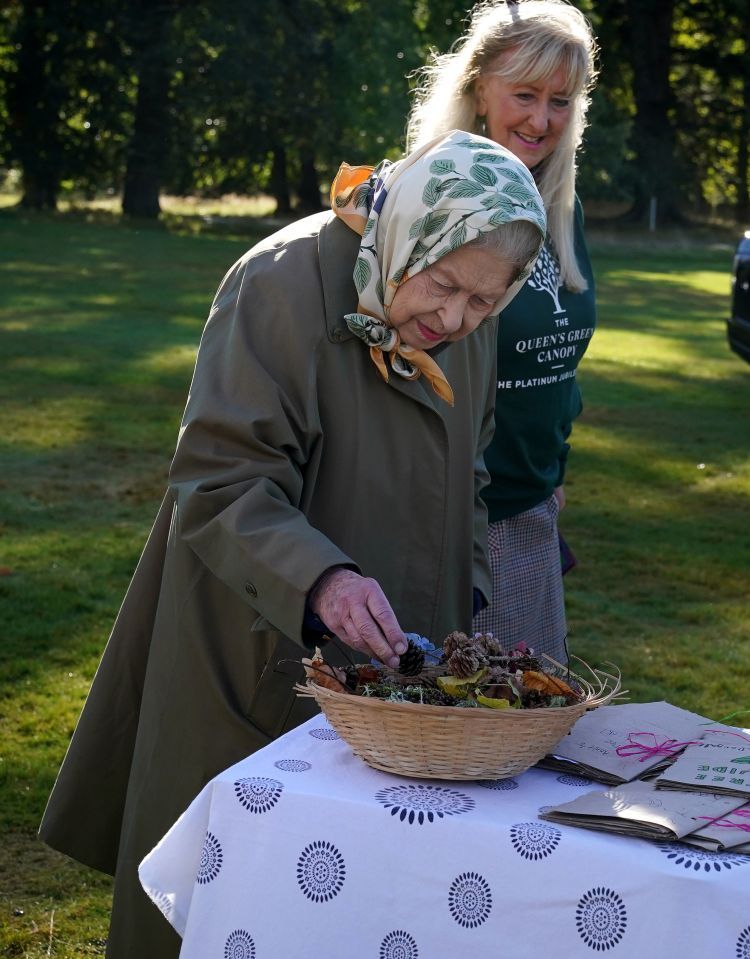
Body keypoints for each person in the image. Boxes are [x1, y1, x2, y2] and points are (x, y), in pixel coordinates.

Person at [38, 130, 546, 959]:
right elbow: (220, 480)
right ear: (409, 230)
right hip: (258, 650)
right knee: (238, 898)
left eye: (485, 302)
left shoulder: (471, 316)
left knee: (376, 905)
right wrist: (326, 580)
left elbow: (473, 477)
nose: (454, 319)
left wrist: (470, 600)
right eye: (444, 284)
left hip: (403, 685)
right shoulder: (278, 284)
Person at [407, 0, 598, 663]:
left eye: (560, 101)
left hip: (527, 519)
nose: (541, 119)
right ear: (477, 88)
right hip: (445, 528)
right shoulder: (433, 204)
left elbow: (559, 368)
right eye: (524, 94)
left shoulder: (559, 212)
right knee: (442, 739)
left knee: (524, 738)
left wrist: (552, 464)